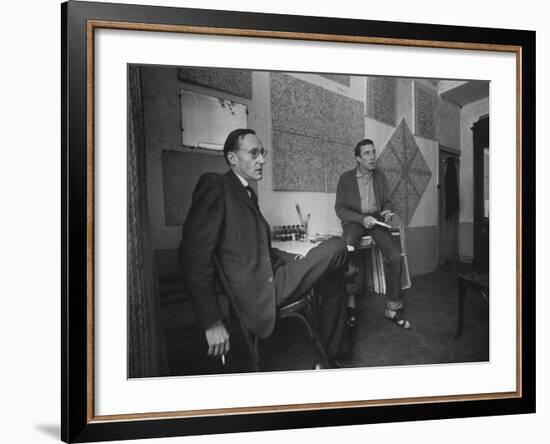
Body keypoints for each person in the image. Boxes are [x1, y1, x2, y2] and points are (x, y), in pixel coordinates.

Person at [179, 129, 351, 368]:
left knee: (333, 281)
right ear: (232, 158)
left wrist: (297, 257)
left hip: (275, 275)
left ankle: (331, 356)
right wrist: (212, 322)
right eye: (254, 153)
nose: (262, 160)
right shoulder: (215, 185)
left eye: (262, 153)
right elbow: (193, 256)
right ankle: (344, 269)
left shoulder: (247, 193)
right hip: (259, 291)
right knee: (337, 245)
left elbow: (264, 250)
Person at [335, 138, 411, 330]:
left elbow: (386, 202)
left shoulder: (380, 177)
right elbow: (340, 209)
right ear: (358, 158)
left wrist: (386, 211)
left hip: (376, 221)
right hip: (355, 221)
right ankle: (351, 304)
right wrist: (361, 219)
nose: (372, 157)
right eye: (367, 153)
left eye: (373, 152)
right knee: (349, 243)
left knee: (395, 256)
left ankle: (392, 308)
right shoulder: (345, 178)